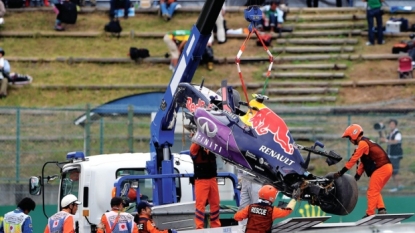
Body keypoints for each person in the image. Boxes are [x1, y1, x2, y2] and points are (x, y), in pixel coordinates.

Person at [334, 124, 392, 217]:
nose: (350, 141)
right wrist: (357, 176)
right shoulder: (366, 142)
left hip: (381, 167)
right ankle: (381, 209)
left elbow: (353, 159)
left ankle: (370, 213)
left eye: (349, 138)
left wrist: (341, 172)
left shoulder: (362, 143)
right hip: (387, 167)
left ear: (354, 135)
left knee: (371, 191)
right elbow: (363, 162)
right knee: (375, 190)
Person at [189, 142, 221, 229]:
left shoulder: (213, 147)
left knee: (215, 203)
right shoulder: (195, 148)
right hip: (201, 181)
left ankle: (216, 226)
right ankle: (199, 227)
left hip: (212, 179)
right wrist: (199, 136)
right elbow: (193, 149)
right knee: (200, 205)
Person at [380, 119, 404, 192]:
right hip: (390, 155)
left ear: (395, 125)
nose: (391, 126)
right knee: (392, 172)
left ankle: (398, 186)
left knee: (395, 172)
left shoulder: (398, 133)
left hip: (395, 156)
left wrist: (386, 141)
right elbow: (385, 139)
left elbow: (395, 142)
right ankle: (398, 186)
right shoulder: (390, 134)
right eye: (390, 124)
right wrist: (381, 129)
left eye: (392, 124)